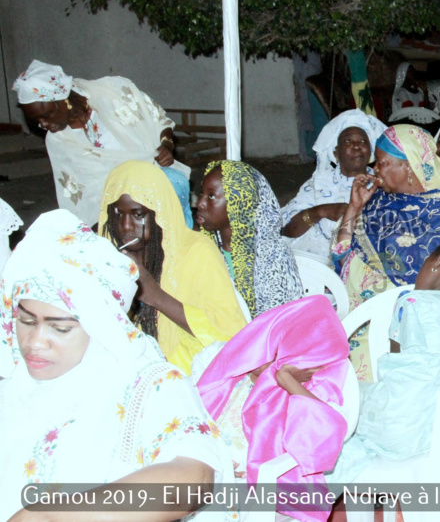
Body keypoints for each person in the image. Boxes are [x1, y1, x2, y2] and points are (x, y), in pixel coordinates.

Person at [0, 210, 235, 522]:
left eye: (60, 328)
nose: (34, 342)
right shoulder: (17, 384)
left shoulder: (148, 384)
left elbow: (192, 480)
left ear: (101, 327)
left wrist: (50, 515)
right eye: (26, 321)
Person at [323, 237, 440, 487]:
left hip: (397, 426)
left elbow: (395, 362)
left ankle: (305, 481)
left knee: (334, 396)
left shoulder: (413, 303)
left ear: (438, 261)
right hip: (438, 429)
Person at [196, 295, 349, 520]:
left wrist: (286, 379)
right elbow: (188, 413)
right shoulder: (224, 366)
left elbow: (323, 433)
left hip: (239, 485)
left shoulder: (301, 393)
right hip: (198, 460)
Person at [100, 160, 247, 374]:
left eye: (138, 214)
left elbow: (231, 336)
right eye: (117, 214)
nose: (126, 226)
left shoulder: (196, 252)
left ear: (158, 211)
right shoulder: (108, 253)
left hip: (192, 373)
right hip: (131, 368)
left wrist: (154, 294)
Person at [12, 60, 192, 228]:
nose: (42, 125)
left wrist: (166, 144)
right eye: (36, 120)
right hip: (116, 211)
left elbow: (158, 118)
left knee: (173, 184)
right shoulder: (58, 139)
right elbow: (78, 197)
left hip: (154, 183)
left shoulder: (113, 91)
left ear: (62, 100)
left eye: (46, 115)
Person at [333, 124, 440, 311]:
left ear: (408, 166)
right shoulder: (379, 200)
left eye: (381, 162)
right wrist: (354, 207)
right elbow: (342, 254)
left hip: (414, 319)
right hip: (364, 313)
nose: (374, 169)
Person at [197, 160, 304, 317]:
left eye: (211, 196)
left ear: (238, 203)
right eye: (202, 194)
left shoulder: (271, 256)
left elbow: (275, 322)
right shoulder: (203, 248)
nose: (200, 203)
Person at [281, 110, 386, 266]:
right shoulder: (318, 184)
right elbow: (287, 230)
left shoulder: (382, 184)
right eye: (348, 141)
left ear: (371, 151)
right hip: (316, 266)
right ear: (336, 153)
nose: (356, 146)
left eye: (363, 141)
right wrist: (321, 211)